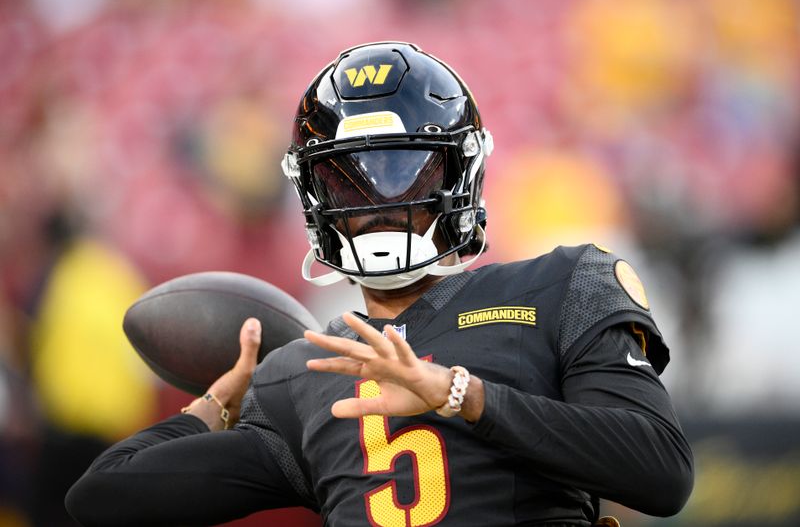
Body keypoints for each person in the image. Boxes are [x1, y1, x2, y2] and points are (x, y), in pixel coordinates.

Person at [65, 42, 693, 527]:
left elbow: (661, 473)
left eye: (402, 169)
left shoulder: (561, 284)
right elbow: (101, 498)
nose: (379, 203)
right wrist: (213, 409)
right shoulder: (299, 375)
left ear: (459, 174)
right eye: (346, 180)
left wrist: (460, 396)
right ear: (312, 196)